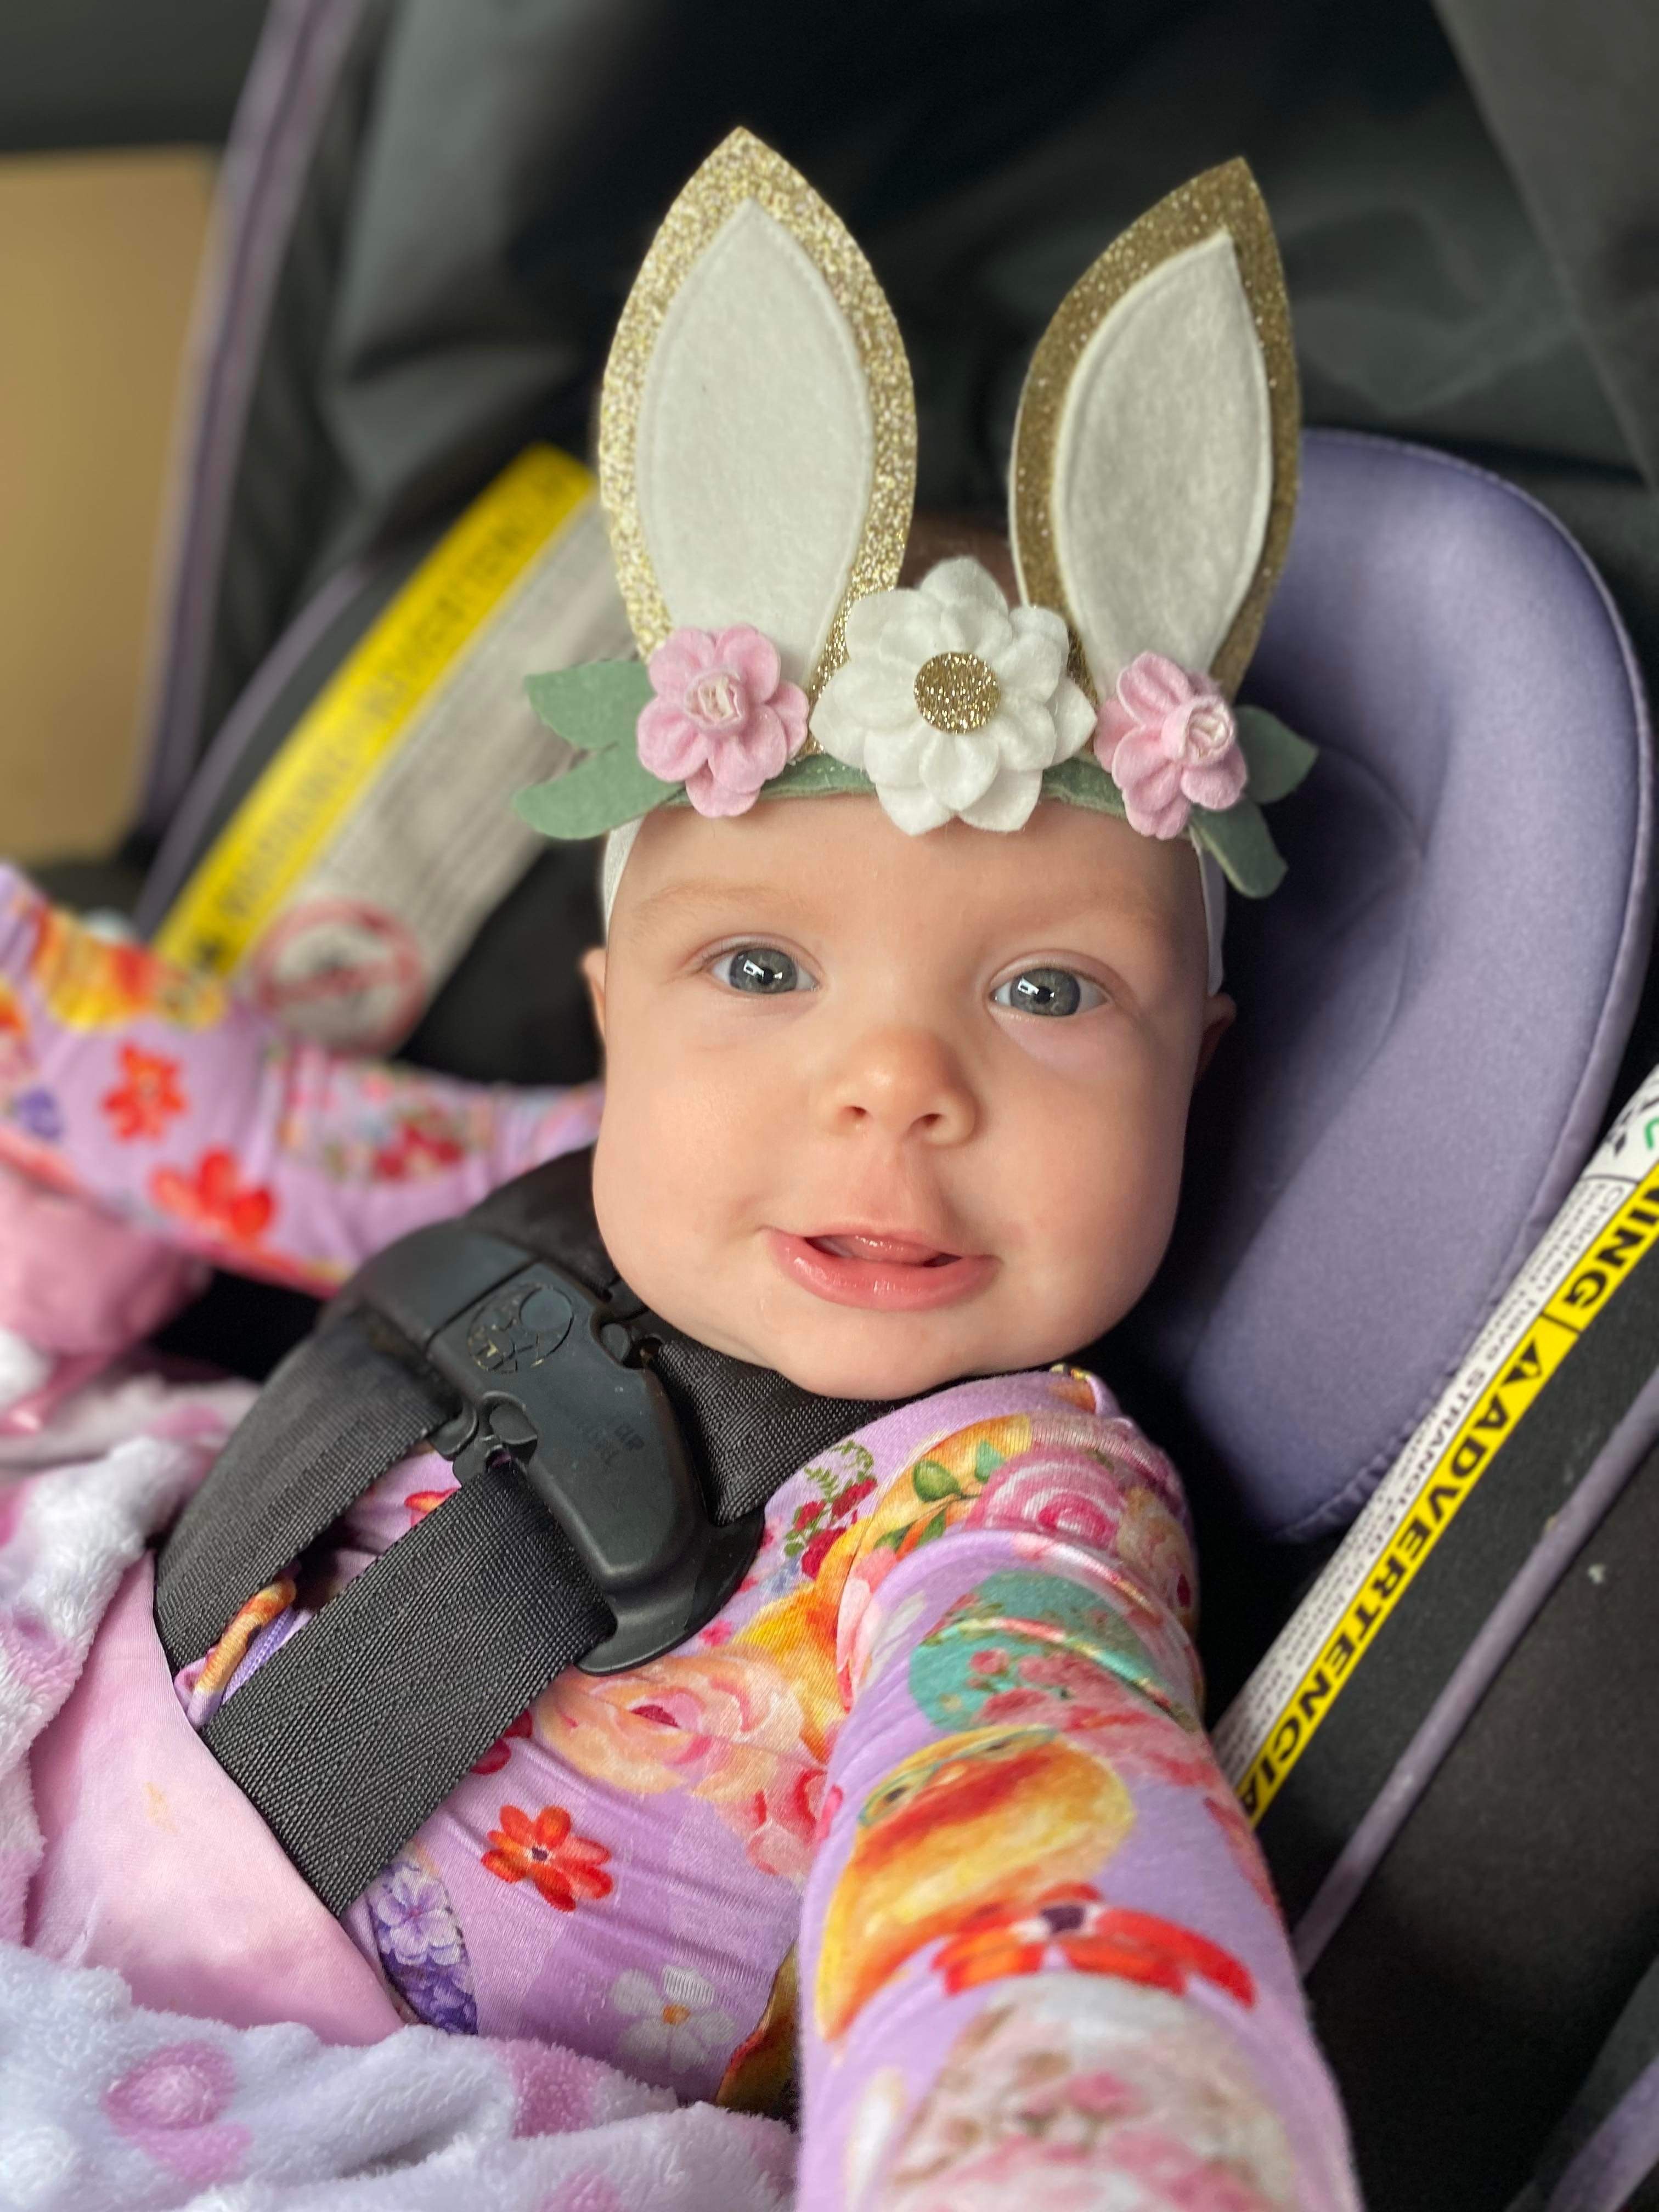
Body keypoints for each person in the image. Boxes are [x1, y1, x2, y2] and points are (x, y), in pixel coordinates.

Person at [4, 136, 1357, 2209]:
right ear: (616, 1015)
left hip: (310, 2111)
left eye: (1051, 993)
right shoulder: (564, 1169)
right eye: (762, 969)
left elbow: (1040, 1850)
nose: (892, 1084)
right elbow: (253, 1128)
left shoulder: (1007, 1513)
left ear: (1207, 1073)